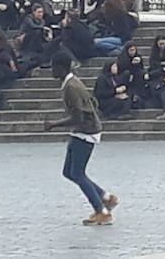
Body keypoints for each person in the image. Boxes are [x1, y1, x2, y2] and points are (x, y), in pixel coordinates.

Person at [44, 52, 118, 226]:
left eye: (53, 67)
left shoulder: (71, 87)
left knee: (77, 173)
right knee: (68, 172)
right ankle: (106, 198)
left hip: (86, 132)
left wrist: (54, 124)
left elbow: (78, 117)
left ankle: (102, 212)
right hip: (81, 131)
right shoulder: (71, 82)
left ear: (60, 68)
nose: (51, 71)